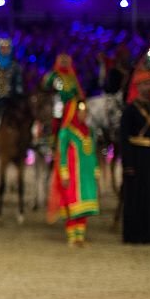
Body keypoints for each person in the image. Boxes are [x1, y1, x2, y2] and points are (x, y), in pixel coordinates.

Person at [48, 99, 100, 247]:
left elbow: (93, 152)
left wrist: (96, 170)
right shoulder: (66, 132)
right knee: (72, 204)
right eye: (81, 112)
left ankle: (80, 237)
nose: (83, 115)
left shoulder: (89, 131)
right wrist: (64, 173)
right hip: (73, 175)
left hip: (86, 175)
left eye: (85, 113)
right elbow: (62, 154)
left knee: (84, 205)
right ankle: (72, 237)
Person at [120, 48, 150, 244]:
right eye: (145, 83)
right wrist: (128, 164)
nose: (148, 87)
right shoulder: (130, 110)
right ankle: (135, 235)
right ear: (138, 85)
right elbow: (124, 138)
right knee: (136, 198)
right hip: (136, 156)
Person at [42, 53, 84, 137]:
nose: (64, 63)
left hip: (72, 103)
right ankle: (54, 136)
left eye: (66, 61)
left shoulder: (72, 77)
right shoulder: (54, 75)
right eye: (62, 61)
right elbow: (45, 86)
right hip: (58, 101)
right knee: (57, 114)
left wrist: (80, 101)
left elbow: (78, 91)